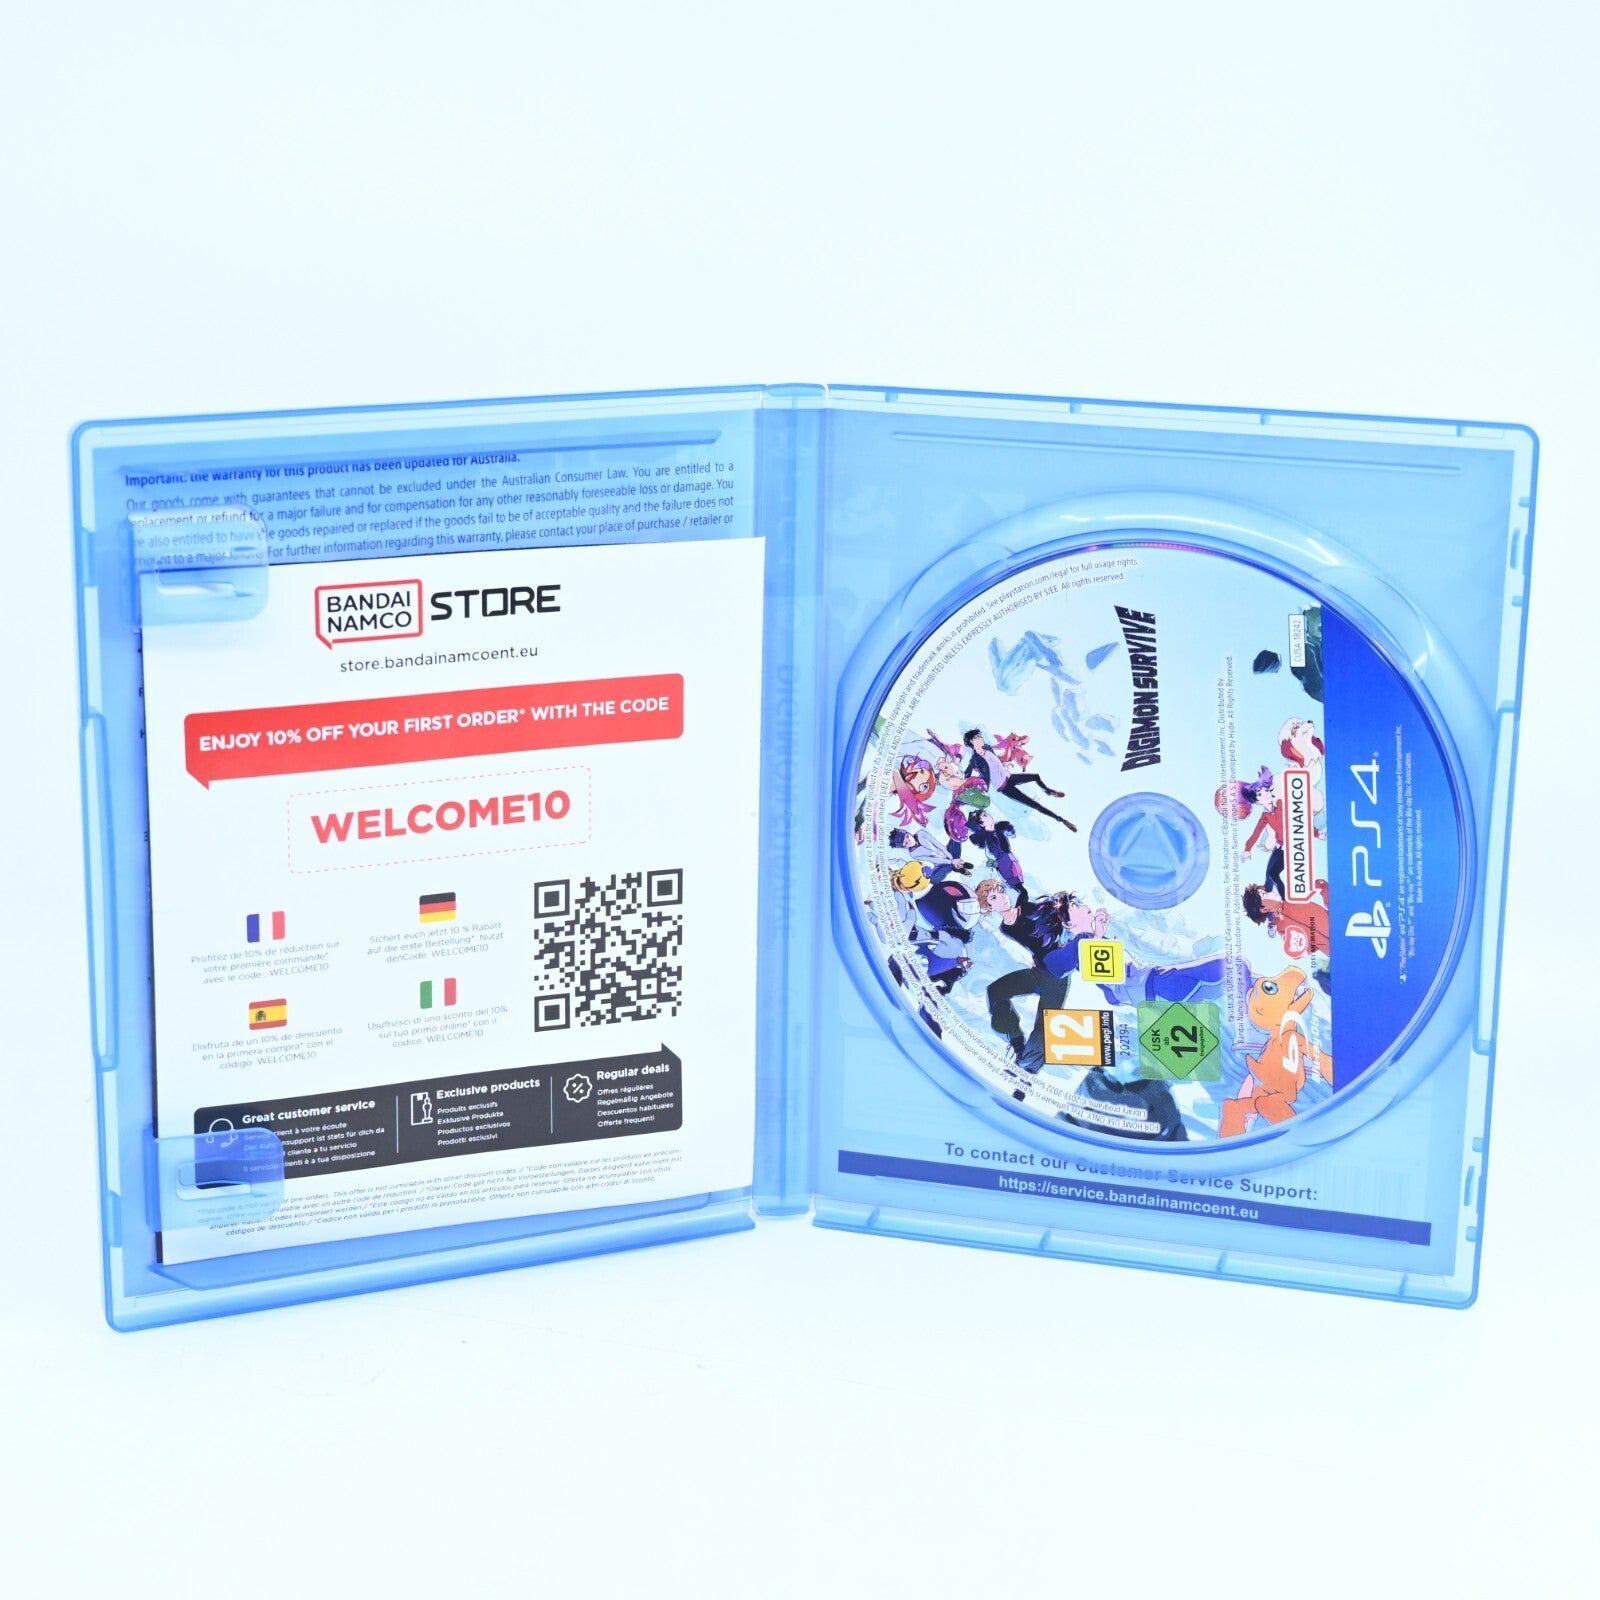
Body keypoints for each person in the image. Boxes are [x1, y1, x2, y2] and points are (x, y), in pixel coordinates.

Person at [963, 729, 1077, 830]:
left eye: (980, 736)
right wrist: (966, 786)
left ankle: (1048, 791)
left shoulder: (988, 748)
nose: (981, 738)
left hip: (1009, 777)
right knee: (1034, 804)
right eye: (977, 737)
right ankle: (1062, 820)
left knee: (1035, 776)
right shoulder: (975, 759)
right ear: (971, 741)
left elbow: (994, 761)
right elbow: (967, 774)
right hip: (1004, 787)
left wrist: (1004, 763)